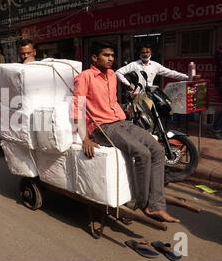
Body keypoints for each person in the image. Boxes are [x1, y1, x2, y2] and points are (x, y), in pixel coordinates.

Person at [73, 40, 180, 223]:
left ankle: (156, 206)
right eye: (106, 55)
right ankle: (140, 203)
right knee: (142, 153)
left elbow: (112, 102)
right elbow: (78, 108)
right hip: (102, 127)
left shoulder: (113, 76)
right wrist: (85, 138)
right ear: (94, 57)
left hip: (122, 122)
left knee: (158, 149)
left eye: (113, 56)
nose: (111, 59)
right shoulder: (85, 77)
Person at [116, 44, 189, 90]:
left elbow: (171, 73)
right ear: (140, 53)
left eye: (147, 52)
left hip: (149, 96)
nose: (145, 54)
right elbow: (118, 72)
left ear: (151, 53)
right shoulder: (134, 64)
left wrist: (188, 78)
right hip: (135, 96)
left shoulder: (155, 65)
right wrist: (127, 84)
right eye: (143, 52)